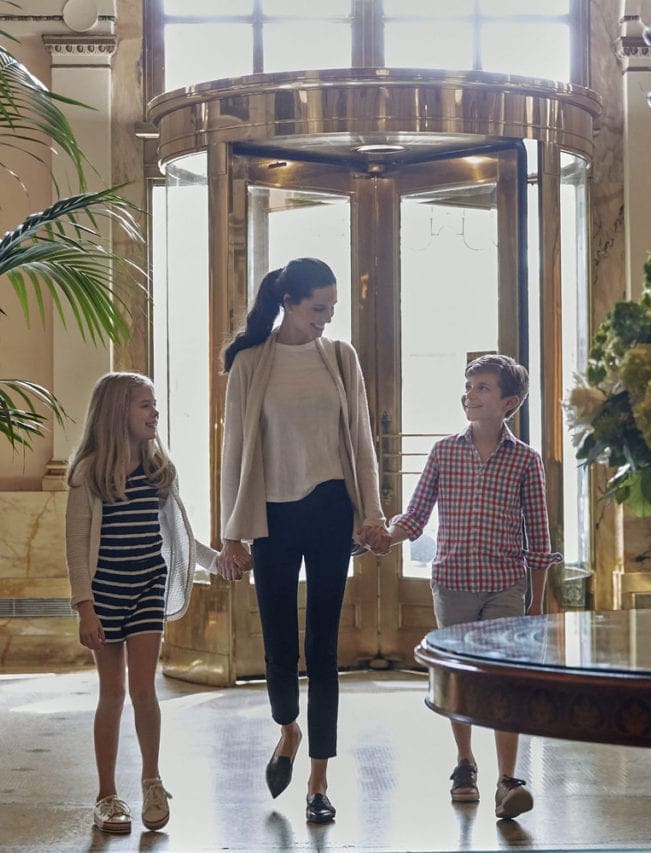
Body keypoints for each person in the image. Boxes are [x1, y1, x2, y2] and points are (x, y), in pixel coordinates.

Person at [215, 257, 386, 825]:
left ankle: (318, 779)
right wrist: (232, 534)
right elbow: (235, 449)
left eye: (331, 310)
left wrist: (371, 513)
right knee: (278, 642)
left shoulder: (340, 357)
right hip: (272, 515)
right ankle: (287, 727)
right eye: (318, 308)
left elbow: (360, 436)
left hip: (331, 508)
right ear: (289, 301)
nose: (325, 318)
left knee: (323, 648)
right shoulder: (250, 362)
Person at [381, 354, 561, 820]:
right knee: (459, 679)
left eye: (482, 387)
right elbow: (416, 516)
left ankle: (508, 778)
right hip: (453, 583)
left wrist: (536, 599)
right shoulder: (444, 452)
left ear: (510, 402)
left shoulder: (525, 460)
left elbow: (539, 538)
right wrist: (385, 534)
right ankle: (465, 763)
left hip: (504, 585)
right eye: (468, 386)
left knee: (503, 680)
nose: (470, 394)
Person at [65, 372, 197, 834]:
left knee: (145, 691)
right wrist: (85, 606)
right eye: (145, 405)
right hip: (105, 594)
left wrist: (222, 561)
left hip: (146, 587)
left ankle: (152, 781)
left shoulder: (160, 470)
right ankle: (106, 794)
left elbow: (180, 533)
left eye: (155, 404)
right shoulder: (90, 474)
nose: (154, 412)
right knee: (113, 694)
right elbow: (77, 547)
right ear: (117, 413)